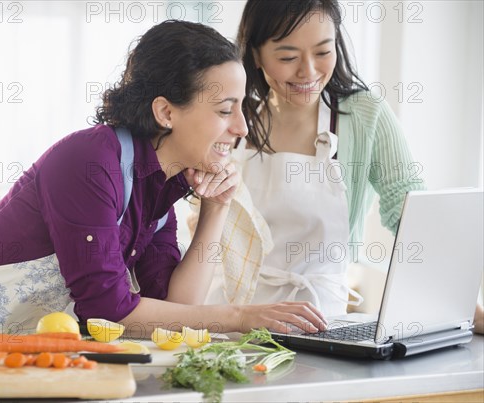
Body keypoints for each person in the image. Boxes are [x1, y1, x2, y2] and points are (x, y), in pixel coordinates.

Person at [0, 20, 329, 336]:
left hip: (6, 344)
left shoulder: (162, 183)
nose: (241, 129)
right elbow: (109, 313)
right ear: (166, 111)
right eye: (224, 110)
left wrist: (215, 210)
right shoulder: (91, 161)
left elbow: (179, 308)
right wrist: (238, 316)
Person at [203, 0, 484, 333]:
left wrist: (467, 307)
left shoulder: (366, 116)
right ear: (255, 55)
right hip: (230, 320)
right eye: (288, 57)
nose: (308, 72)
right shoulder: (233, 119)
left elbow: (413, 221)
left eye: (323, 51)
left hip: (321, 325)